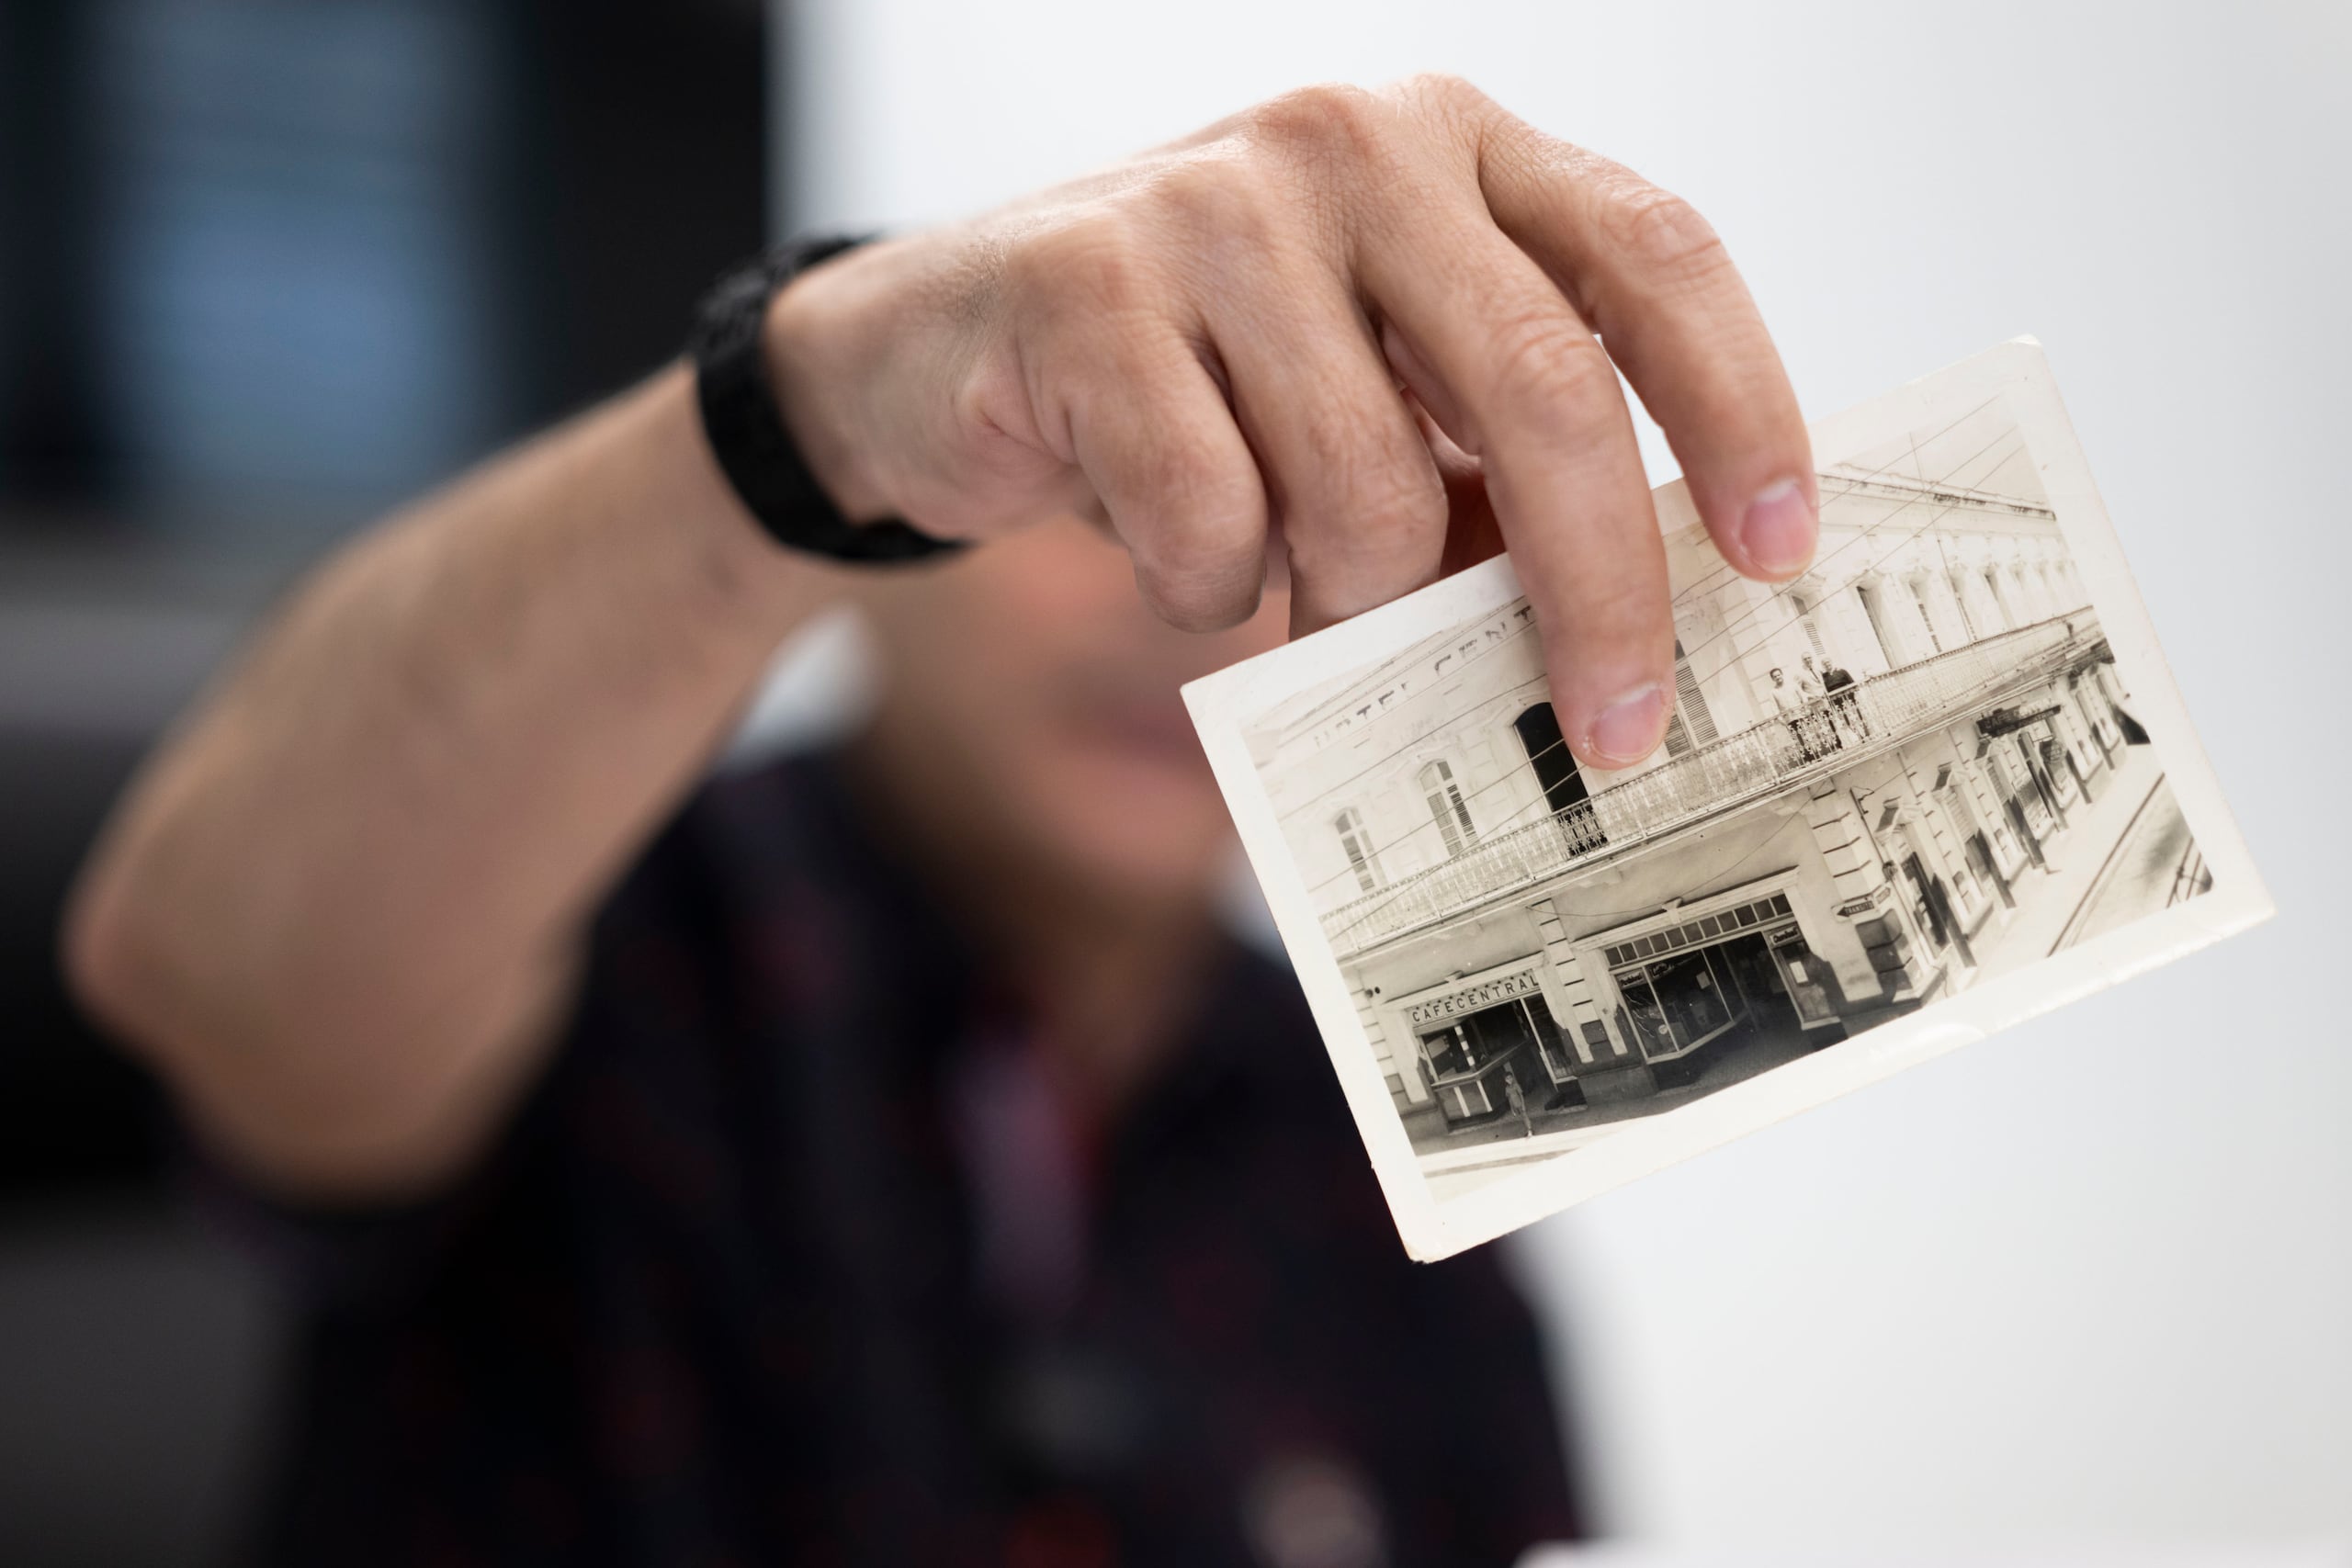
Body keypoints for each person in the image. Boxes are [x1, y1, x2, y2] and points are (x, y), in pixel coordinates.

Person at [62, 77, 1818, 1566]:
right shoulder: (592, 911)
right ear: (883, 556)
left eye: (1282, 530)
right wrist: (806, 407)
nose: (1185, 595)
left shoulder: (1368, 1127)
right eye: (1090, 497)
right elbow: (213, 971)